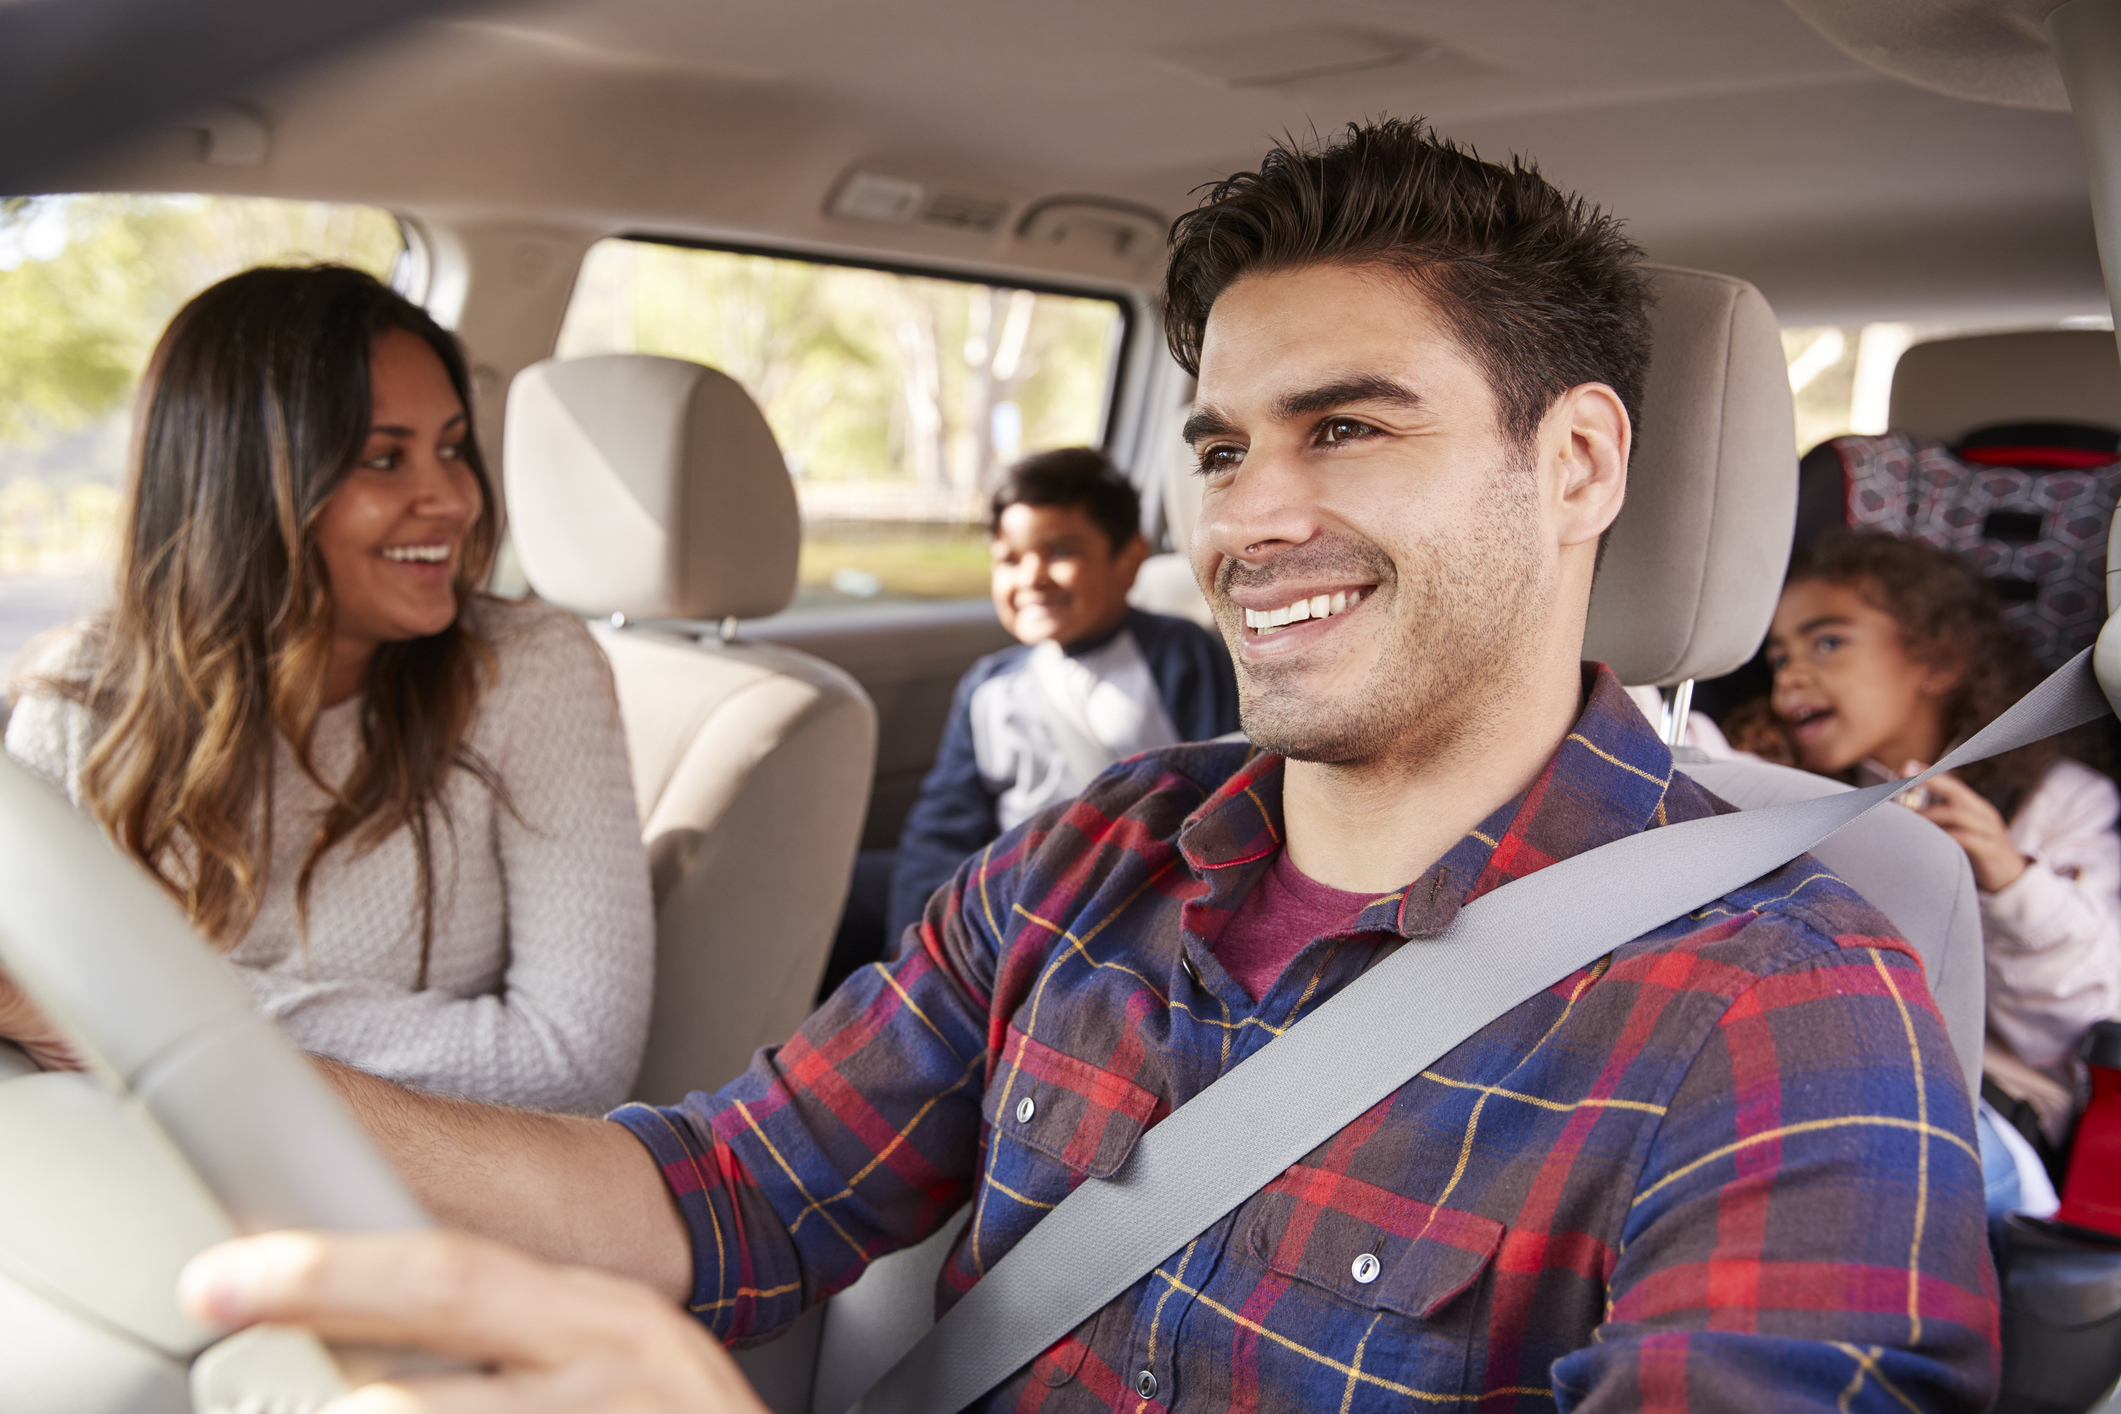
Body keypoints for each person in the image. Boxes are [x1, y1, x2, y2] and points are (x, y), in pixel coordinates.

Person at [21, 121, 1997, 1410]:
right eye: (1220, 445)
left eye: (1349, 427)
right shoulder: (1094, 859)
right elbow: (716, 1187)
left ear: (1573, 467)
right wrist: (193, 1063)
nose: (1249, 518)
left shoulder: (1780, 1014)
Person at [3, 264, 655, 1113]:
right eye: (386, 459)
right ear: (240, 489)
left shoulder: (526, 671)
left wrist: (148, 1015)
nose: (454, 498)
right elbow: (27, 1015)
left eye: (452, 449)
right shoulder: (77, 706)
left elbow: (572, 1062)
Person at [1735, 531, 2121, 1197]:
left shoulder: (2057, 802)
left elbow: (2088, 1017)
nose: (1790, 674)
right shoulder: (1791, 793)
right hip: (1816, 1061)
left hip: (1987, 1102)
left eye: (1827, 643)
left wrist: (2007, 878)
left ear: (1935, 660)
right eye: (1778, 658)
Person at [837, 448, 1237, 985]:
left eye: (1060, 552)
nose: (1032, 577)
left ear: (1127, 559)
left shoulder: (1175, 652)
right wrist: (911, 948)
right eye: (1010, 559)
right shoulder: (988, 684)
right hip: (1005, 885)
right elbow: (942, 825)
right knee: (828, 886)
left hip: (1123, 887)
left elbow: (1222, 794)